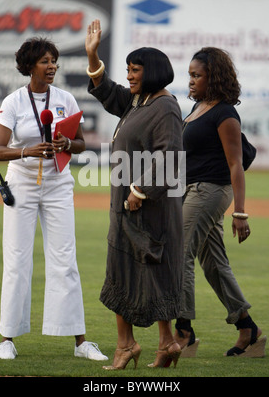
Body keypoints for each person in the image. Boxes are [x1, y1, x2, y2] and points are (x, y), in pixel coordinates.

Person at [0, 37, 107, 362]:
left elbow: (83, 144)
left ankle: (81, 343)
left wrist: (67, 144)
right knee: (17, 260)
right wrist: (27, 150)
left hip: (58, 182)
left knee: (65, 259)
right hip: (22, 183)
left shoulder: (66, 99)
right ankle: (7, 339)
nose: (52, 66)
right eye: (45, 61)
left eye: (54, 60)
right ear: (30, 66)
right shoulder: (14, 101)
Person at [85, 19, 184, 369]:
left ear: (153, 71)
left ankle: (127, 346)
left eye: (136, 70)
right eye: (128, 69)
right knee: (137, 272)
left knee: (127, 271)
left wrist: (139, 190)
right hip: (129, 201)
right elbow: (110, 93)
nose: (129, 75)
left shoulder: (165, 107)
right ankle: (166, 342)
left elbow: (169, 156)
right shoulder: (140, 101)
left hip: (144, 204)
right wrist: (93, 56)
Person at [173, 47, 266, 358]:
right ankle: (247, 327)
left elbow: (236, 163)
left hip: (211, 191)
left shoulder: (225, 113)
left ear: (213, 78)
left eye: (197, 76)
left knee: (180, 252)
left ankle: (184, 331)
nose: (191, 81)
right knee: (214, 264)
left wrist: (240, 212)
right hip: (192, 190)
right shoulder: (198, 107)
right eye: (190, 75)